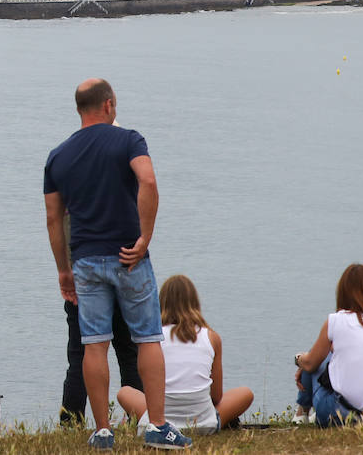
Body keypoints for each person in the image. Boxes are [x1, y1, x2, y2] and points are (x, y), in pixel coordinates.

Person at [43, 79, 191, 450]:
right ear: (108, 105)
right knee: (147, 339)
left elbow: (52, 218)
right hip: (129, 257)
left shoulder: (57, 156)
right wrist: (145, 237)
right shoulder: (129, 140)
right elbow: (148, 180)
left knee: (93, 344)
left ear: (80, 109)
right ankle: (156, 425)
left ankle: (103, 430)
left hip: (86, 260)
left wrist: (63, 270)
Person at [116, 274, 253, 434]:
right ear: (195, 303)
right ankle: (214, 421)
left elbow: (149, 389)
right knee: (245, 393)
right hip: (203, 423)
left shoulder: (152, 340)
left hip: (158, 419)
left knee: (124, 392)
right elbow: (216, 397)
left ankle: (155, 423)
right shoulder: (211, 337)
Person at [293, 263, 363, 425]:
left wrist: (299, 360)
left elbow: (310, 364)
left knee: (314, 357)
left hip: (345, 416)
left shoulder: (336, 320)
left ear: (343, 291)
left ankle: (302, 412)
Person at [61, 211, 143, 427]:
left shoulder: (73, 191)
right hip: (122, 275)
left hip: (84, 279)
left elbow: (61, 229)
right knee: (129, 354)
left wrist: (67, 272)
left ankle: (71, 422)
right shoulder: (117, 188)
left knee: (81, 355)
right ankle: (139, 418)